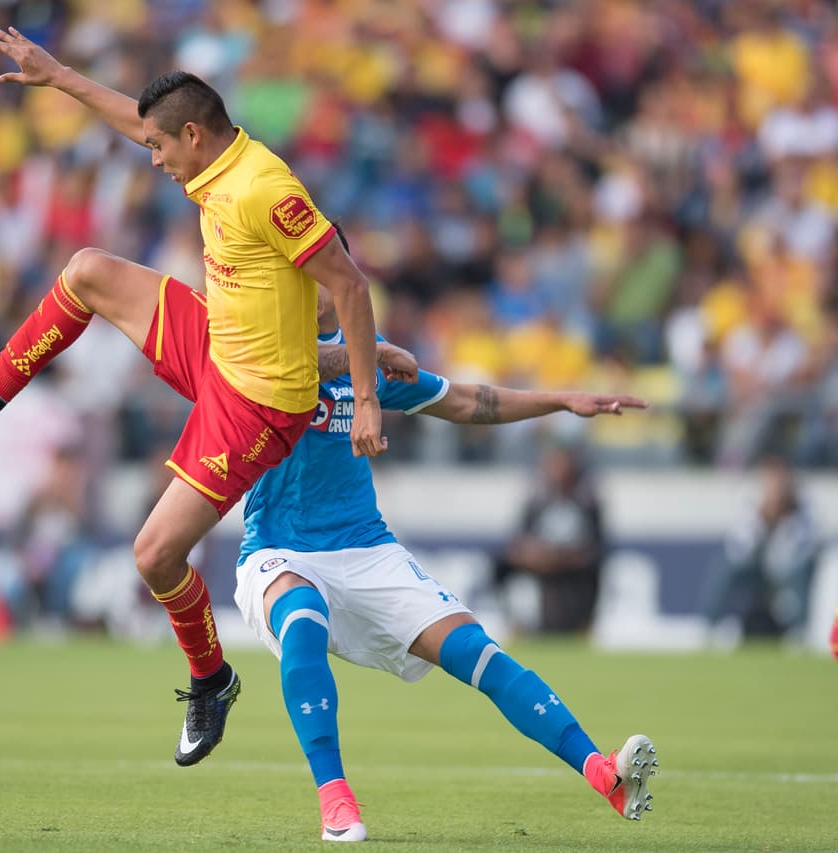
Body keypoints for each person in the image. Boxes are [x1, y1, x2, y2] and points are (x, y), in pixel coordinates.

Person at [0, 27, 414, 766]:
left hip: (259, 403)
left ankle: (211, 678)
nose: (152, 160)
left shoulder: (267, 190)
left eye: (158, 147)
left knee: (153, 556)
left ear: (192, 134)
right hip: (217, 344)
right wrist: (56, 77)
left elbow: (349, 284)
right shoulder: (209, 158)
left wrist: (364, 397)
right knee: (86, 270)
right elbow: (135, 120)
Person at [233, 284, 657, 842]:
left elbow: (465, 401)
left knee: (476, 650)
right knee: (303, 617)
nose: (308, 284)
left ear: (341, 282)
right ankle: (335, 799)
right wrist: (374, 355)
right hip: (278, 548)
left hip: (366, 547)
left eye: (320, 271)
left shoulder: (370, 356)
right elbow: (299, 363)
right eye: (297, 271)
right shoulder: (265, 341)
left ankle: (603, 774)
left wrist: (560, 399)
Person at [702, 455, 820, 640]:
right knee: (725, 567)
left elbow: (801, 551)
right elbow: (738, 548)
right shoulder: (750, 503)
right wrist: (762, 520)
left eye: (780, 483)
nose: (775, 489)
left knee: (802, 571)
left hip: (787, 571)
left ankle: (800, 630)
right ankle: (708, 625)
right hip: (756, 569)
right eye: (771, 483)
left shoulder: (802, 508)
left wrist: (785, 520)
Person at [492, 444, 606, 634]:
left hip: (573, 561)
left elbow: (596, 544)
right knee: (500, 565)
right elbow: (522, 537)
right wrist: (533, 555)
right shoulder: (536, 499)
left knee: (595, 569)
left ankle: (584, 624)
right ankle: (514, 623)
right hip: (540, 558)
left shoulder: (587, 500)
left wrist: (561, 557)